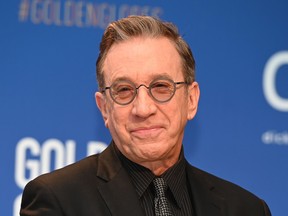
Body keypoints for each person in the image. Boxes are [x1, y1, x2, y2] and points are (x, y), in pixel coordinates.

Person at [20, 15, 271, 216]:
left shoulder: (245, 209)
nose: (143, 109)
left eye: (161, 87)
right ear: (105, 108)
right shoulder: (58, 199)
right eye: (124, 90)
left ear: (191, 100)